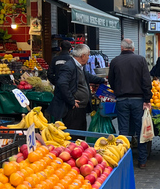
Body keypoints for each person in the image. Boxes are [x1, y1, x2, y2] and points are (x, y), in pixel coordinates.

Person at [108, 39, 152, 169]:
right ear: (133, 48)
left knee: (124, 131)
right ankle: (142, 161)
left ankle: (123, 160)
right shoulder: (141, 60)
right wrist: (147, 99)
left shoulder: (115, 61)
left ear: (121, 48)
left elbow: (111, 80)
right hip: (138, 100)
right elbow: (146, 81)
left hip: (122, 100)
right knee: (140, 131)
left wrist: (117, 90)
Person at [46, 44, 105, 130]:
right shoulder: (69, 66)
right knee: (74, 134)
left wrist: (102, 80)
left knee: (81, 134)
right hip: (72, 109)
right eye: (88, 55)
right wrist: (71, 100)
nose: (89, 58)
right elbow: (62, 83)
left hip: (80, 108)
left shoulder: (79, 66)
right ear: (83, 56)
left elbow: (87, 76)